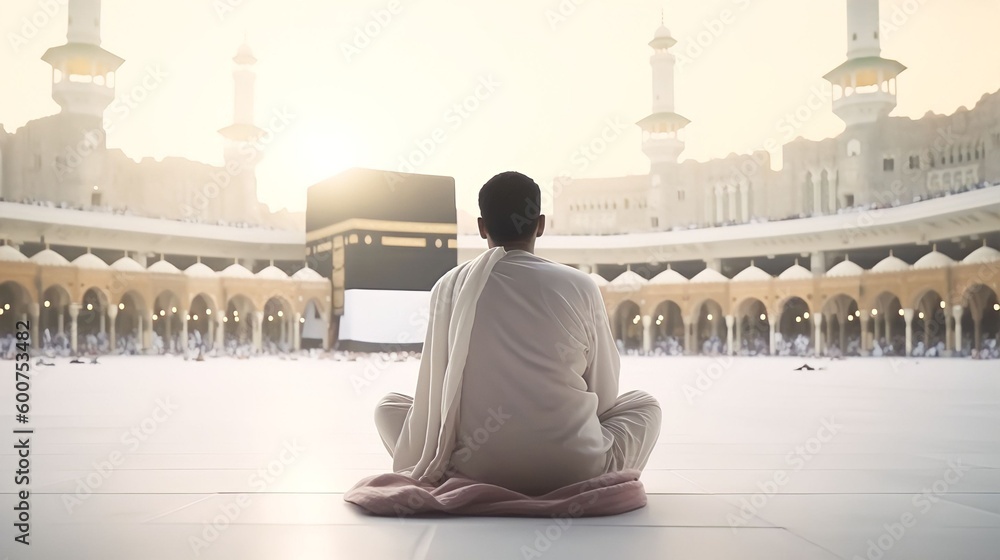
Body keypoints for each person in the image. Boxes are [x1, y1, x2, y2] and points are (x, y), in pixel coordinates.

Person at [374, 171, 662, 496]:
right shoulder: (580, 285)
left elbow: (433, 391)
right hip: (572, 471)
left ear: (482, 227)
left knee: (389, 407)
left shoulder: (449, 286)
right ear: (540, 223)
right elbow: (605, 395)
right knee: (645, 406)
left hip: (467, 466)